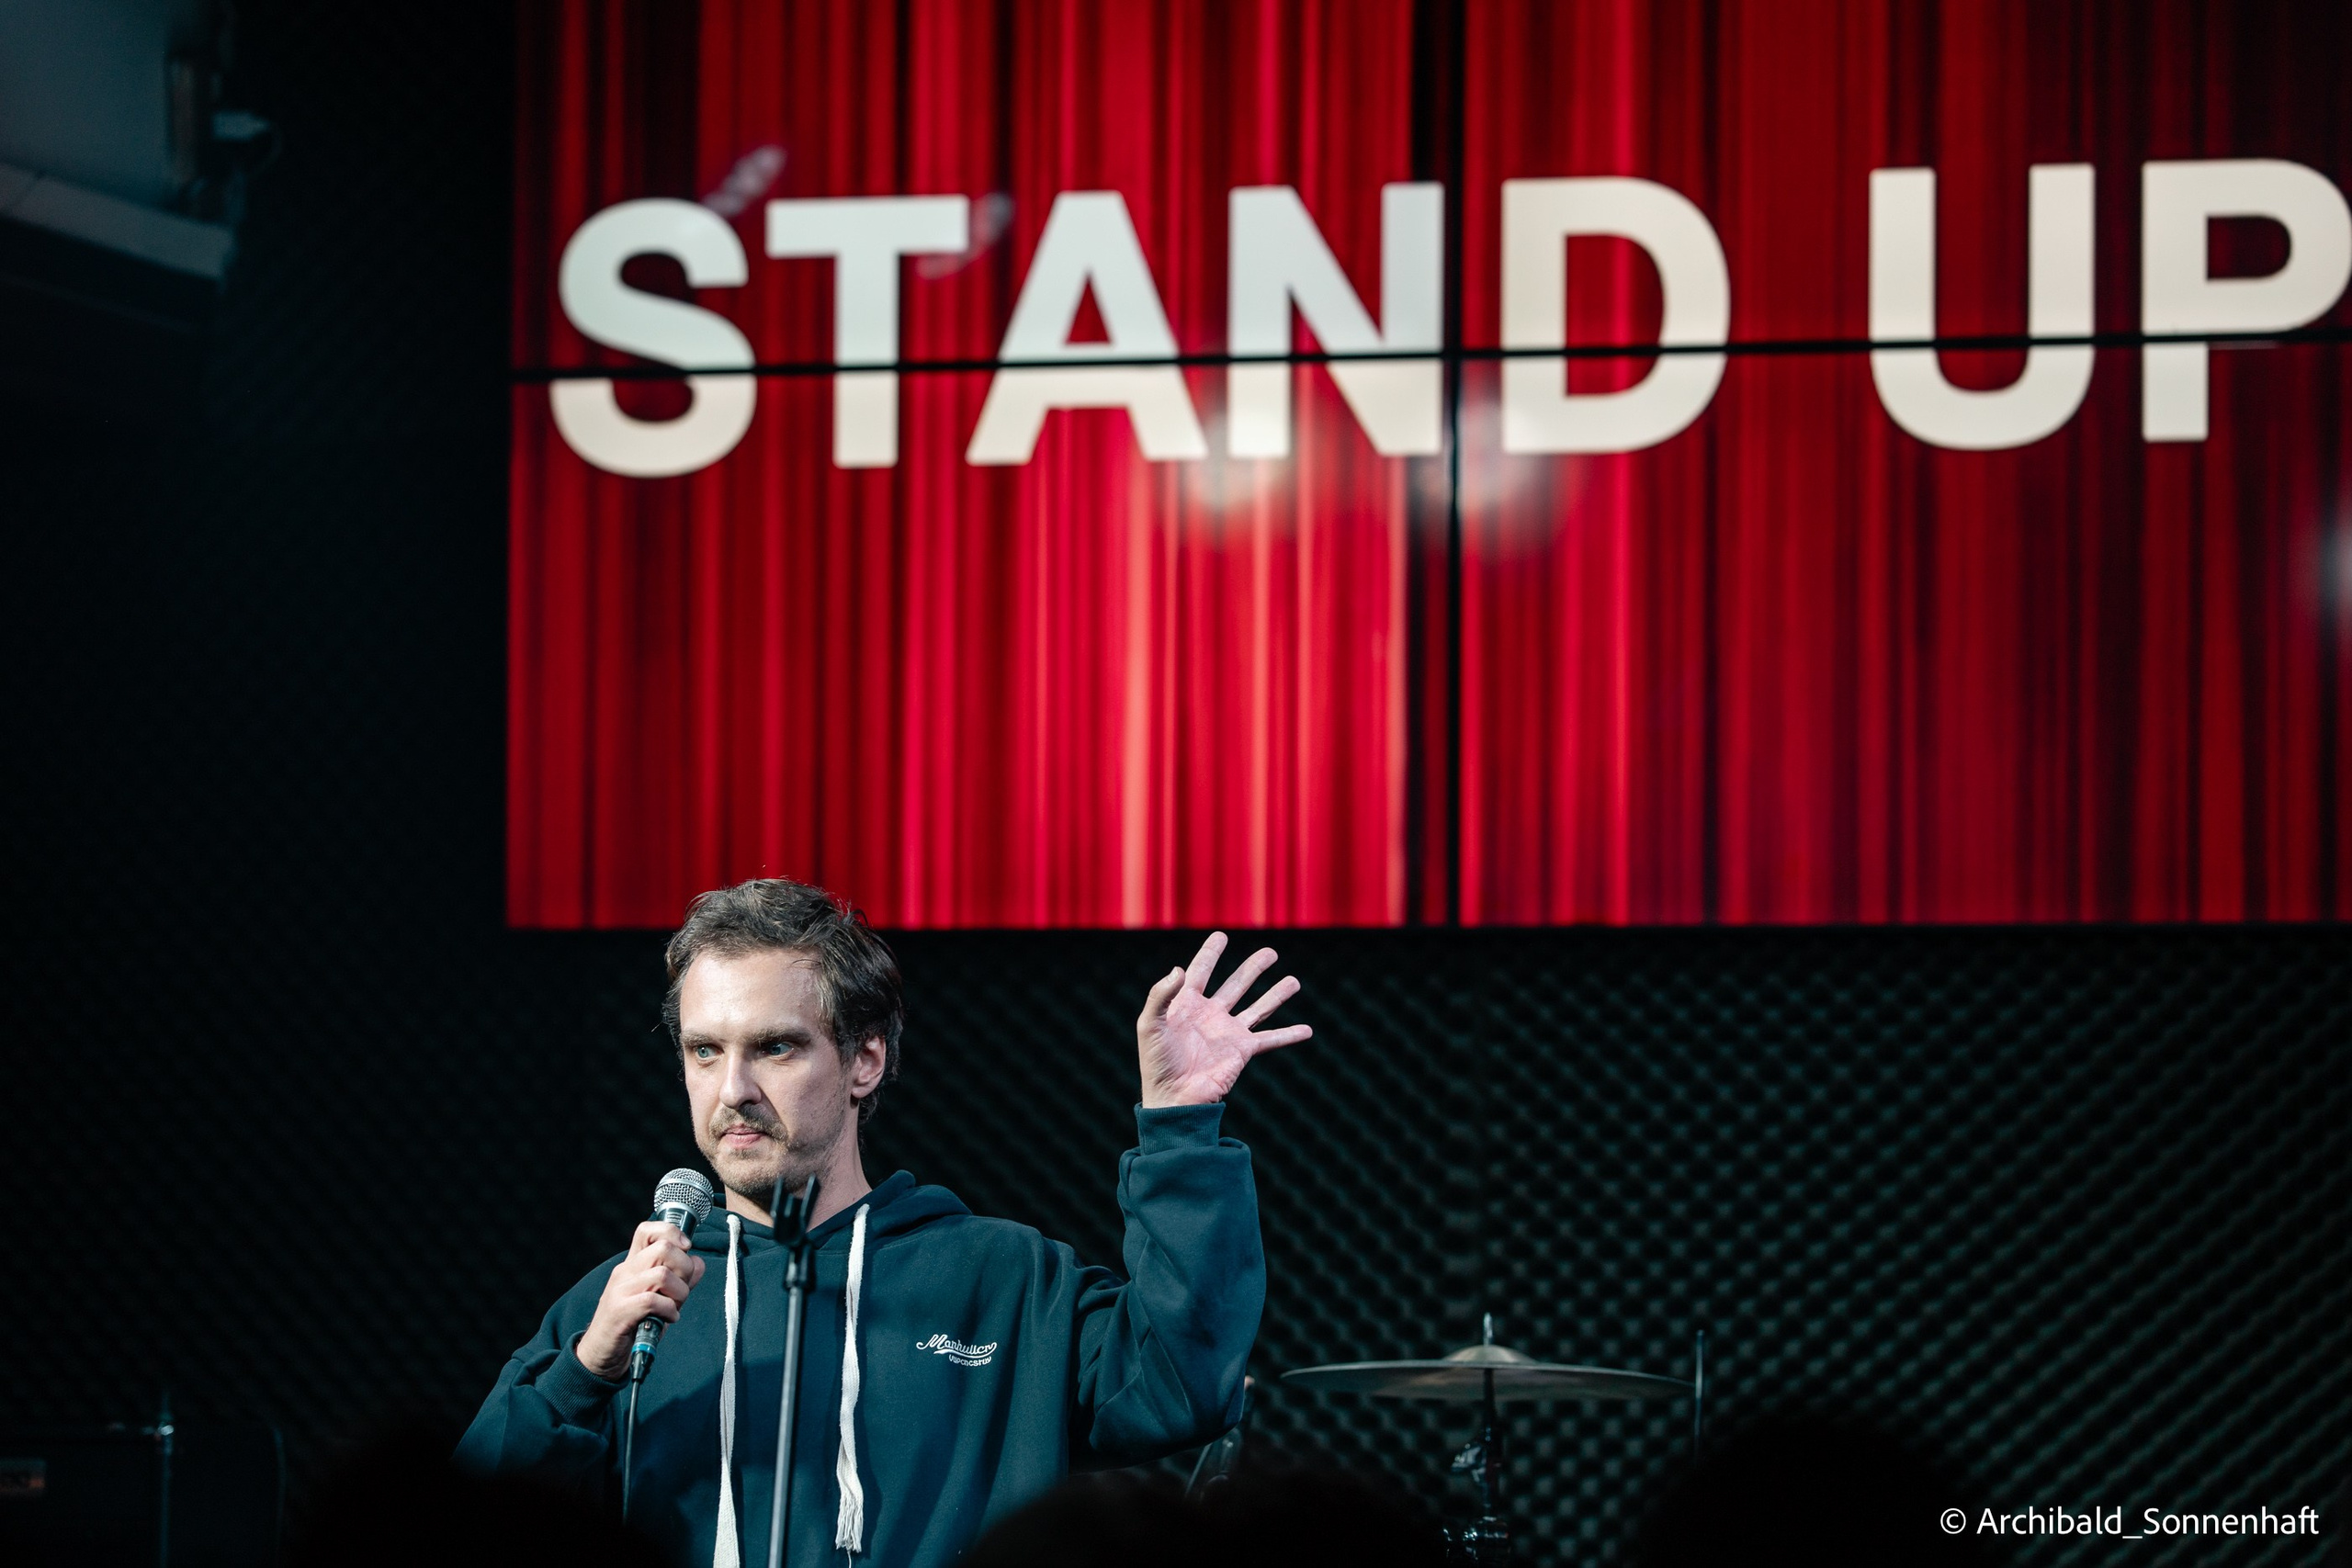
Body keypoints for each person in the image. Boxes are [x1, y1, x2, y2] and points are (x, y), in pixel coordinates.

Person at [456, 878, 1308, 1568]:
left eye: (776, 1047)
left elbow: (1180, 1387)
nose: (733, 1090)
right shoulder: (623, 1311)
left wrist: (1180, 1129)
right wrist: (584, 1373)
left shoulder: (1002, 1279)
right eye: (705, 1050)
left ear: (865, 1059)